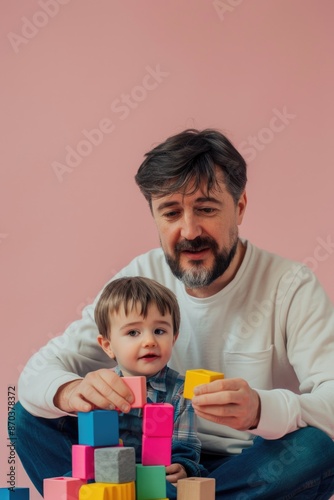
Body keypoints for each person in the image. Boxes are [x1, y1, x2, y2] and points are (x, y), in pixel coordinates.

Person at [15, 128, 334, 499]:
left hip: (245, 466)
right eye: (171, 212)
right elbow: (39, 372)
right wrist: (70, 391)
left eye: (206, 209)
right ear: (154, 215)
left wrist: (261, 409)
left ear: (240, 206)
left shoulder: (290, 285)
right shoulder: (139, 278)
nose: (190, 230)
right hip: (143, 464)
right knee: (28, 416)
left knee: (315, 448)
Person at [94, 275, 206, 494]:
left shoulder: (182, 389)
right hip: (110, 474)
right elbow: (94, 444)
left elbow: (185, 445)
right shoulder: (101, 387)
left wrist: (182, 467)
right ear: (108, 346)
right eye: (133, 332)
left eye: (159, 331)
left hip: (157, 476)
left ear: (173, 338)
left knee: (174, 488)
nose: (149, 341)